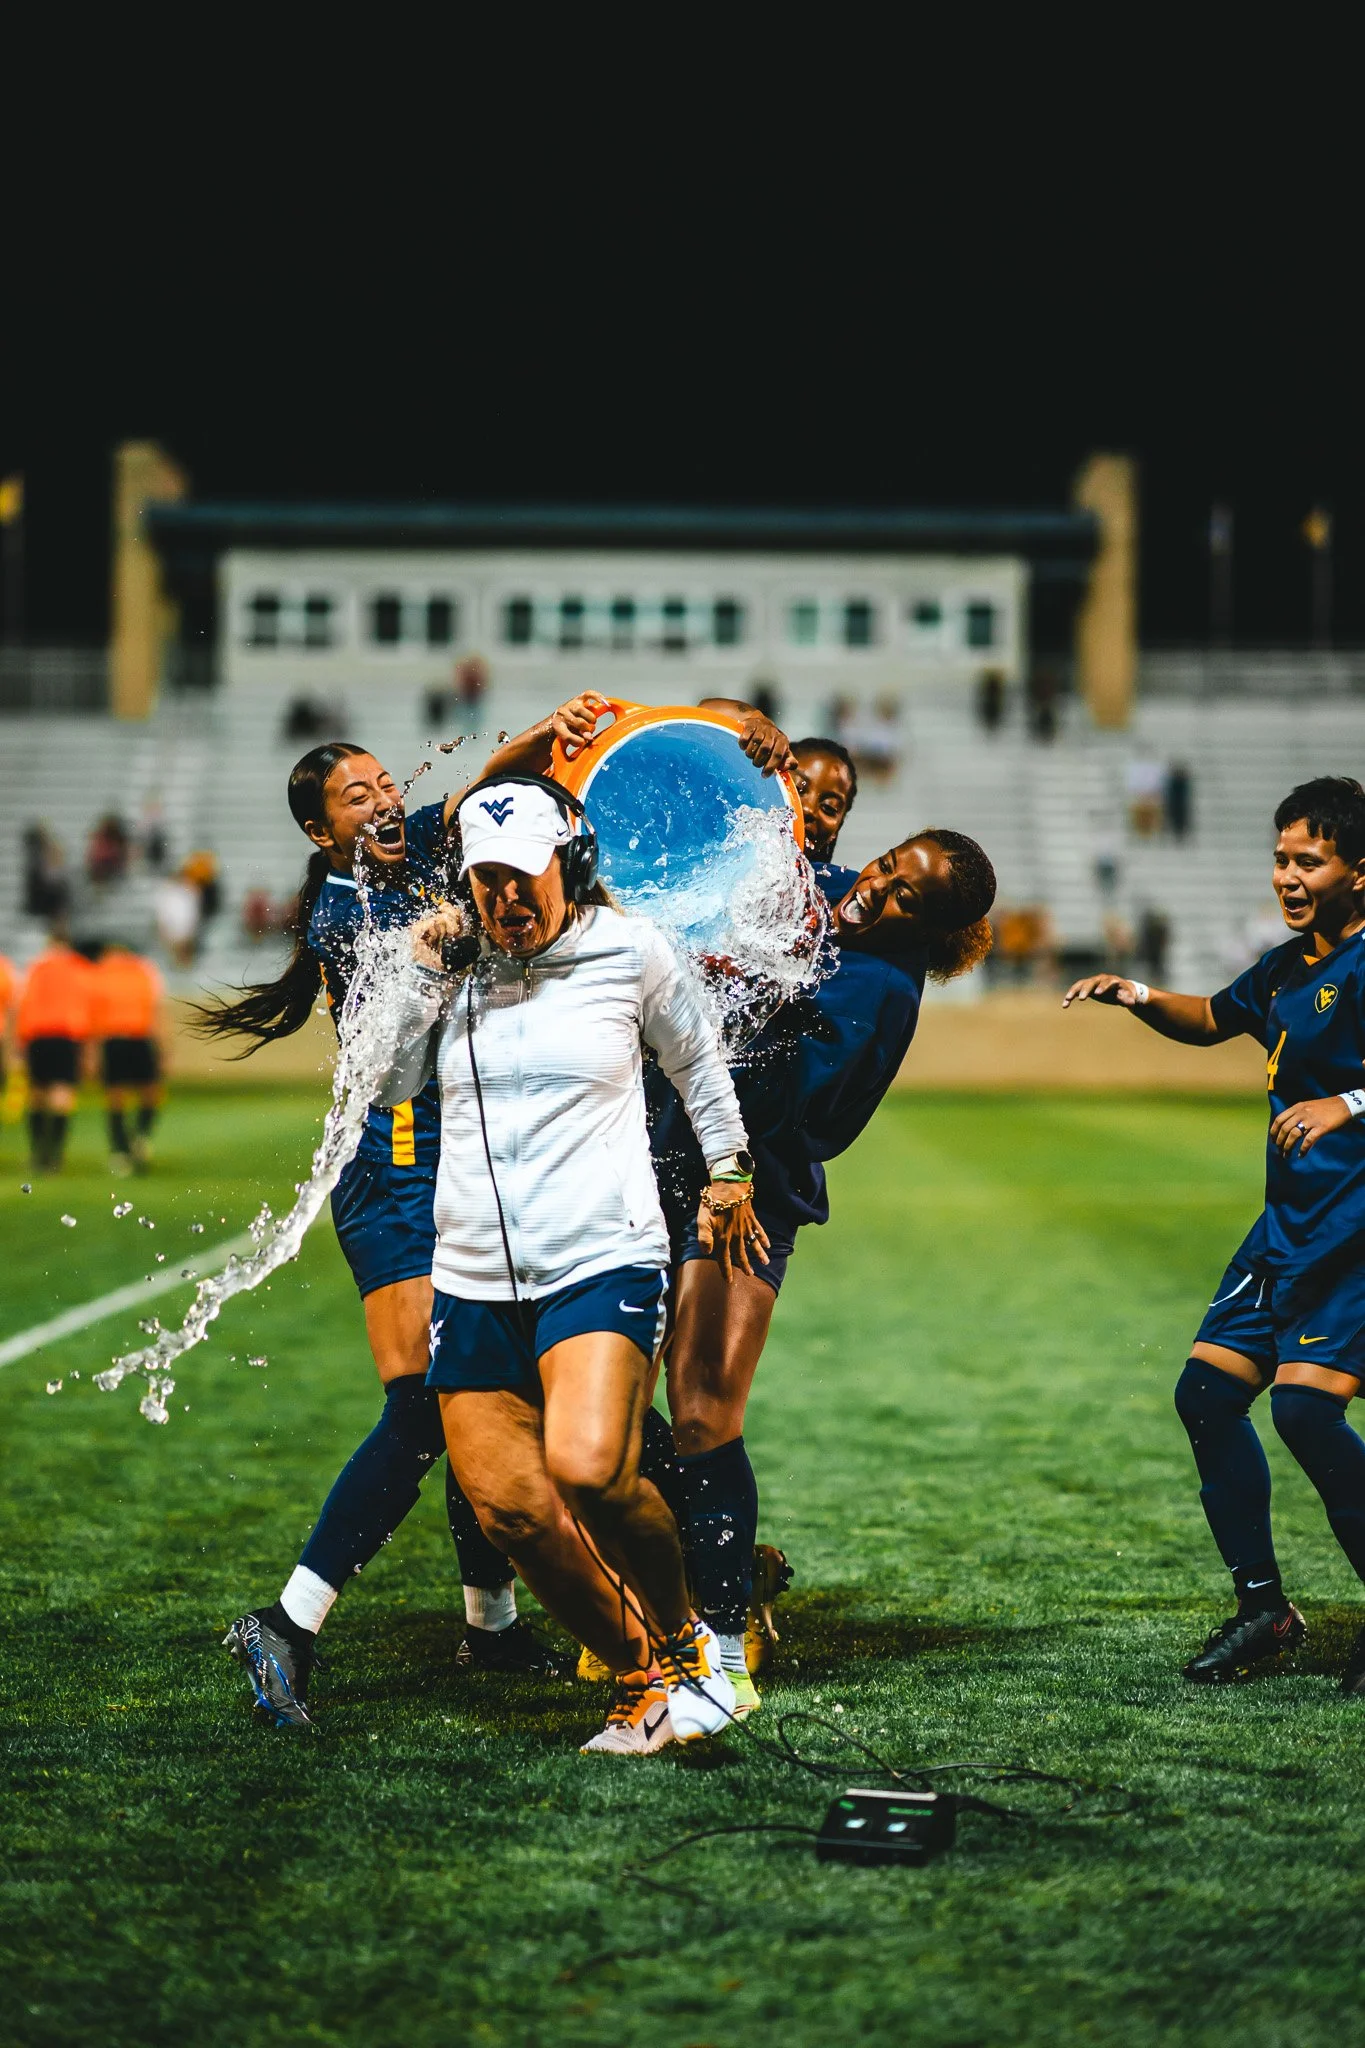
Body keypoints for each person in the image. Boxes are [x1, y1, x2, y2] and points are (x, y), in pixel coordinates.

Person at [205, 702, 609, 1727]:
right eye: (357, 794)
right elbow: (398, 1050)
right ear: (319, 831)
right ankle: (288, 1622)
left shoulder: (419, 841)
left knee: (480, 1381)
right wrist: (437, 953)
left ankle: (492, 1623)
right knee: (429, 1401)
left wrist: (549, 728)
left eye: (385, 782)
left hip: (459, 1157)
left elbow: (484, 784)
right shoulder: (347, 909)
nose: (383, 798)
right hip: (392, 1163)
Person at [383, 774, 762, 1757]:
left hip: (603, 1252)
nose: (505, 898)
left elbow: (699, 1066)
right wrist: (419, 975)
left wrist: (728, 1173)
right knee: (511, 1505)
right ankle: (644, 1682)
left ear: (572, 862)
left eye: (525, 876)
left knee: (590, 1465)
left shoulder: (627, 949)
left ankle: (695, 1652)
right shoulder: (455, 963)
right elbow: (390, 1087)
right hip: (471, 1273)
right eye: (486, 880)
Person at [649, 813, 997, 1710]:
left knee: (700, 1414)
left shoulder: (882, 986)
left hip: (744, 1202)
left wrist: (755, 999)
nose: (874, 888)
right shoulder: (820, 908)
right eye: (885, 866)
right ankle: (705, 1568)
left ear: (924, 928)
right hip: (658, 1169)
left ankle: (722, 1638)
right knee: (595, 1406)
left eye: (903, 897)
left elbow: (818, 1122)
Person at [1063, 776, 1365, 1694]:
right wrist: (1137, 992)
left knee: (1306, 1412)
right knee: (1205, 1396)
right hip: (1286, 1228)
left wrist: (1346, 1102)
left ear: (1359, 870)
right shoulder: (1285, 966)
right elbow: (1209, 1021)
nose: (1286, 875)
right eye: (1279, 858)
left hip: (1353, 1232)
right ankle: (1264, 1609)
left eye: (1306, 859)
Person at [15, 938, 95, 1171]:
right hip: (66, 1035)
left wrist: (20, 1043)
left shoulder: (36, 967)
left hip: (37, 1034)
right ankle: (56, 1155)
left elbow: (23, 1003)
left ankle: (38, 1153)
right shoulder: (80, 969)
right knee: (62, 1092)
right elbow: (87, 1006)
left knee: (37, 1093)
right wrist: (88, 1049)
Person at [88, 942, 166, 1173]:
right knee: (147, 1092)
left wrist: (91, 1051)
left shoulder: (101, 973)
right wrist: (163, 1046)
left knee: (118, 1095)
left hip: (118, 1039)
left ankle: (123, 1148)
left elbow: (92, 1014)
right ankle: (136, 1140)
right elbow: (157, 1008)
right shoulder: (145, 971)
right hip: (137, 1037)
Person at [789, 737, 857, 864]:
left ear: (834, 833)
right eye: (798, 789)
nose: (808, 810)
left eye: (829, 807)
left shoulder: (839, 883)